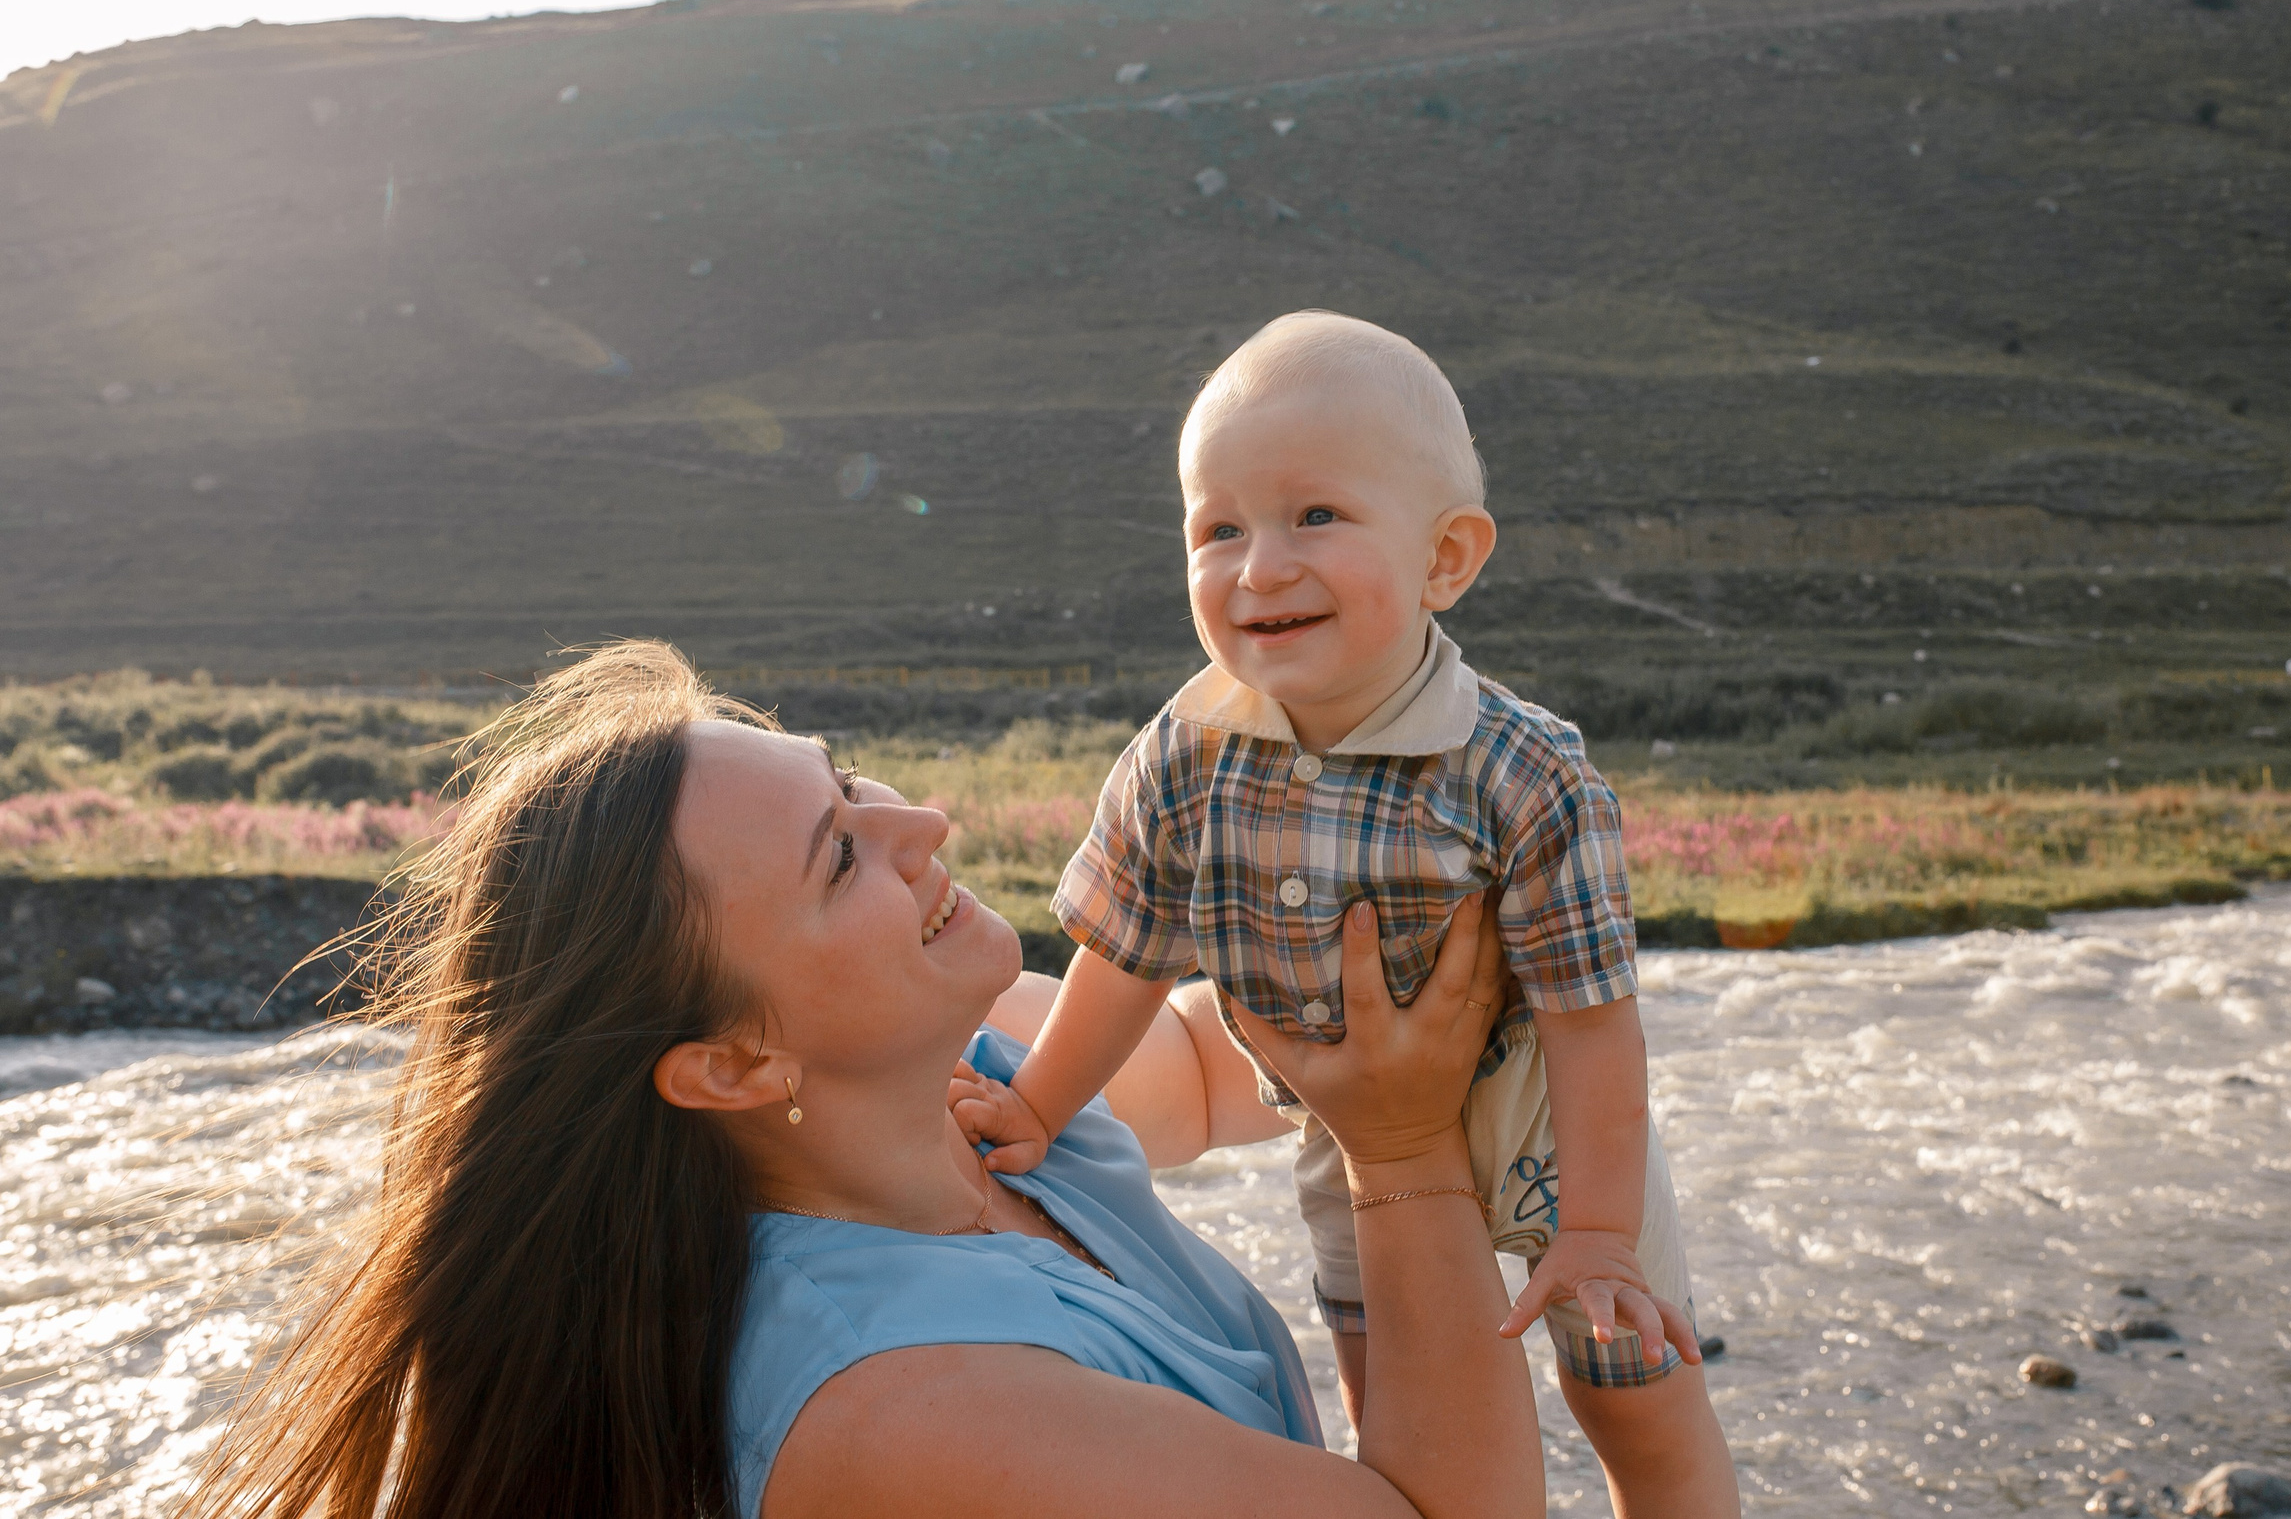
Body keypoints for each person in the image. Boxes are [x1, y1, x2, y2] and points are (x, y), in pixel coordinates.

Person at [179, 642, 1547, 1519]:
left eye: (851, 781)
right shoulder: (906, 1407)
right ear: (731, 1061)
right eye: (841, 854)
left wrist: (1440, 941)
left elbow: (1197, 1063)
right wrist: (1409, 1158)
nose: (922, 825)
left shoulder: (963, 1081)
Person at [954, 311, 1738, 1518]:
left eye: (1314, 515)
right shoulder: (1183, 755)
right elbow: (1120, 955)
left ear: (1446, 559)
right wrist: (1036, 1101)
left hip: (1547, 1124)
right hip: (1347, 1129)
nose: (1259, 565)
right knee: (1399, 1399)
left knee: (1631, 1389)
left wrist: (1598, 1230)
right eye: (1219, 528)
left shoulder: (1524, 773)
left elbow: (1592, 1023)